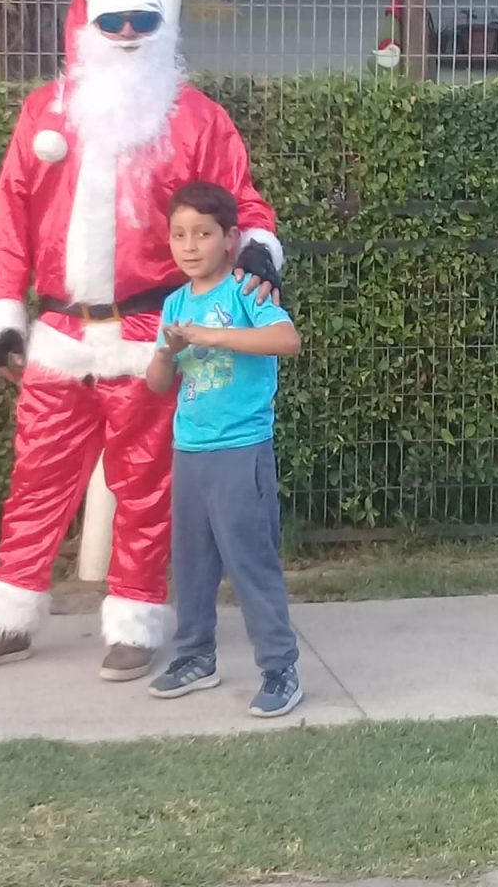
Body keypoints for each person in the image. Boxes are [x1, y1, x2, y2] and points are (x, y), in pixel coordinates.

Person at [0, 0, 284, 681]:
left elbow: (241, 203)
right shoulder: (44, 114)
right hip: (61, 337)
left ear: (162, 28)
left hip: (149, 334)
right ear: (87, 27)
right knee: (36, 479)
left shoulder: (197, 120)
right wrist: (4, 312)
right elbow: (11, 218)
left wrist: (257, 251)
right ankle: (7, 619)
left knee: (146, 485)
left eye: (143, 21)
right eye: (113, 21)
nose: (127, 34)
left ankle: (135, 618)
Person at [145, 181, 303, 718]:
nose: (190, 246)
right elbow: (158, 384)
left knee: (251, 561)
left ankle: (280, 669)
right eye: (179, 235)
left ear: (231, 238)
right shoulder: (175, 303)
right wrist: (166, 352)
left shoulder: (246, 291)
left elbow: (286, 340)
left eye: (203, 234)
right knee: (191, 564)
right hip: (190, 451)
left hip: (241, 451)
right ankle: (195, 657)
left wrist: (211, 337)